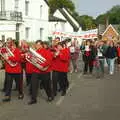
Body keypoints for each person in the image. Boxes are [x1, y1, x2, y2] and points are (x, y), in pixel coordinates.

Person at [28, 40, 53, 105]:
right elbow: (31, 59)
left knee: (46, 85)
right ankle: (33, 99)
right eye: (36, 45)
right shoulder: (34, 52)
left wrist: (42, 66)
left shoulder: (47, 52)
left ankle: (50, 96)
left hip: (44, 71)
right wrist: (31, 59)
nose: (37, 46)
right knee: (34, 85)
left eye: (39, 45)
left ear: (42, 45)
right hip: (35, 71)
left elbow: (49, 61)